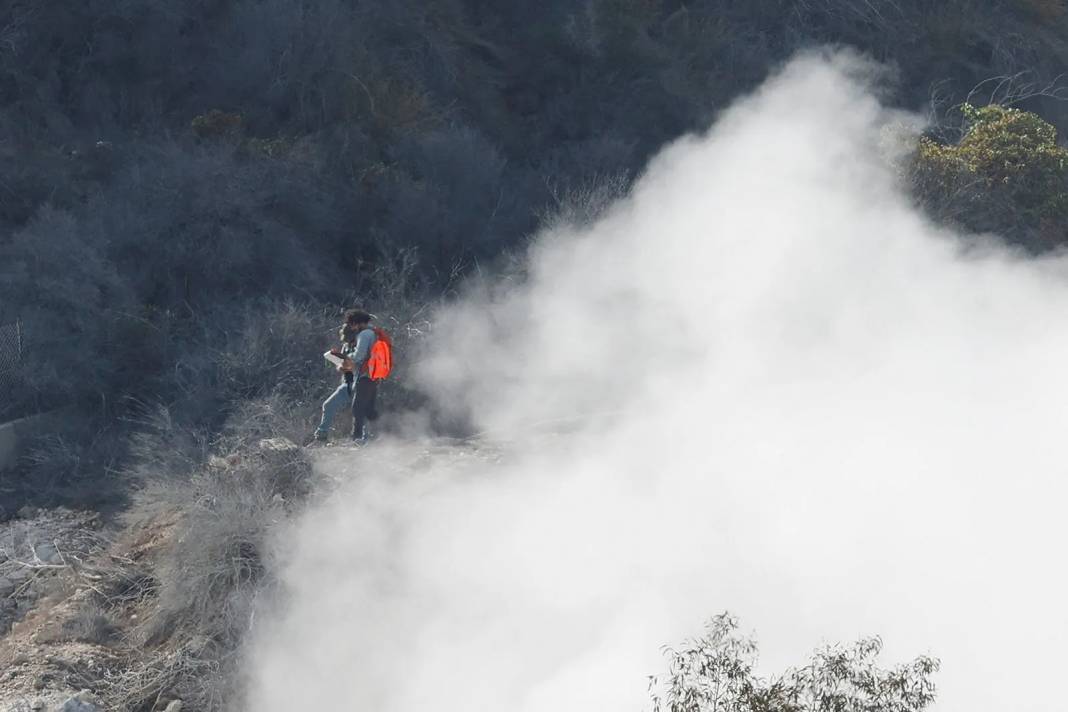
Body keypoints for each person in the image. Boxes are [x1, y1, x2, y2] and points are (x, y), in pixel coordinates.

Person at [312, 309, 371, 442]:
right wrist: (339, 362)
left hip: (362, 381)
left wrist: (345, 363)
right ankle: (321, 436)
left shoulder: (364, 343)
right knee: (329, 405)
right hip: (348, 383)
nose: (347, 341)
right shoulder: (346, 347)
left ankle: (365, 439)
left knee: (362, 411)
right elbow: (344, 367)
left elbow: (357, 363)